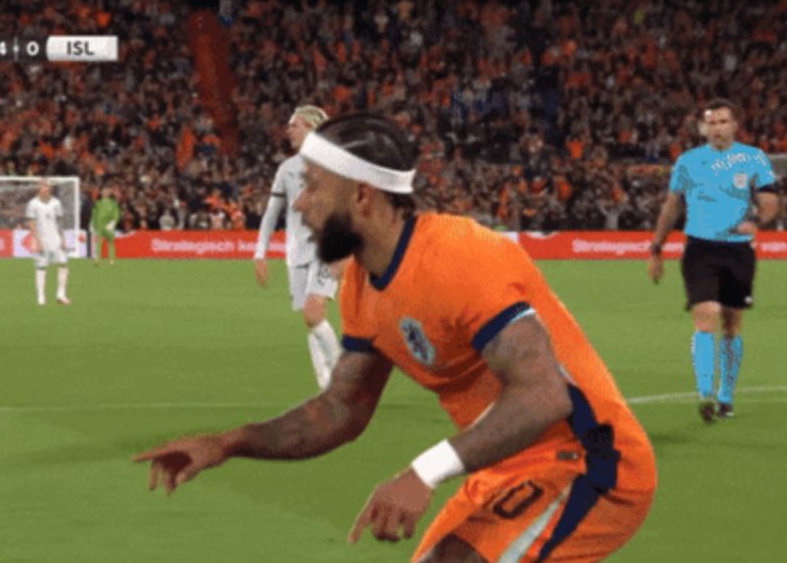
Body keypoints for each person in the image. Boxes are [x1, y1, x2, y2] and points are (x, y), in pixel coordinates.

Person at [135, 114, 656, 562]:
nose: (300, 205)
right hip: (506, 467)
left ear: (362, 194)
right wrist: (227, 443)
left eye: (313, 186)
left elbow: (543, 395)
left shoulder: (459, 256)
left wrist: (421, 473)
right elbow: (340, 410)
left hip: (591, 463)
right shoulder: (363, 284)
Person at [647, 99, 779, 422]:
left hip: (738, 249)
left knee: (732, 323)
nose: (717, 128)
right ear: (703, 128)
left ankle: (725, 396)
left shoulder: (753, 158)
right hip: (700, 248)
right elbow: (672, 205)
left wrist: (758, 220)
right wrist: (656, 248)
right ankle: (704, 392)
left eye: (723, 121)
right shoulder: (688, 162)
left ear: (734, 125)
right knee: (706, 313)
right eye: (711, 122)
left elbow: (770, 200)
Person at [253, 105, 342, 390]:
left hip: (327, 248)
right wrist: (260, 253)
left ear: (312, 129)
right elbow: (271, 213)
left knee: (312, 313)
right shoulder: (287, 169)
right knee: (311, 320)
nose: (288, 130)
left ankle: (344, 381)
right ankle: (326, 386)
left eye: (295, 125)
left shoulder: (335, 167)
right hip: (296, 252)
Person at [26, 181, 70, 306]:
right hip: (41, 239)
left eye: (47, 187)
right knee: (41, 266)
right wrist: (36, 240)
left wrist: (62, 238)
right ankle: (41, 296)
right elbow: (31, 223)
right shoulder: (32, 204)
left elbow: (60, 221)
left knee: (63, 263)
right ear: (39, 188)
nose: (45, 189)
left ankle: (61, 295)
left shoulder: (56, 203)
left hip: (55, 238)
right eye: (43, 187)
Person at [90, 186, 121, 266]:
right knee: (99, 243)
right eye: (104, 191)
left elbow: (116, 214)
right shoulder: (98, 203)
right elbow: (94, 214)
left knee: (110, 243)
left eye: (107, 191)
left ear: (110, 193)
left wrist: (113, 223)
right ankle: (98, 260)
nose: (106, 192)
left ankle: (111, 260)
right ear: (102, 193)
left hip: (108, 226)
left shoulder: (113, 203)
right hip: (100, 226)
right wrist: (92, 224)